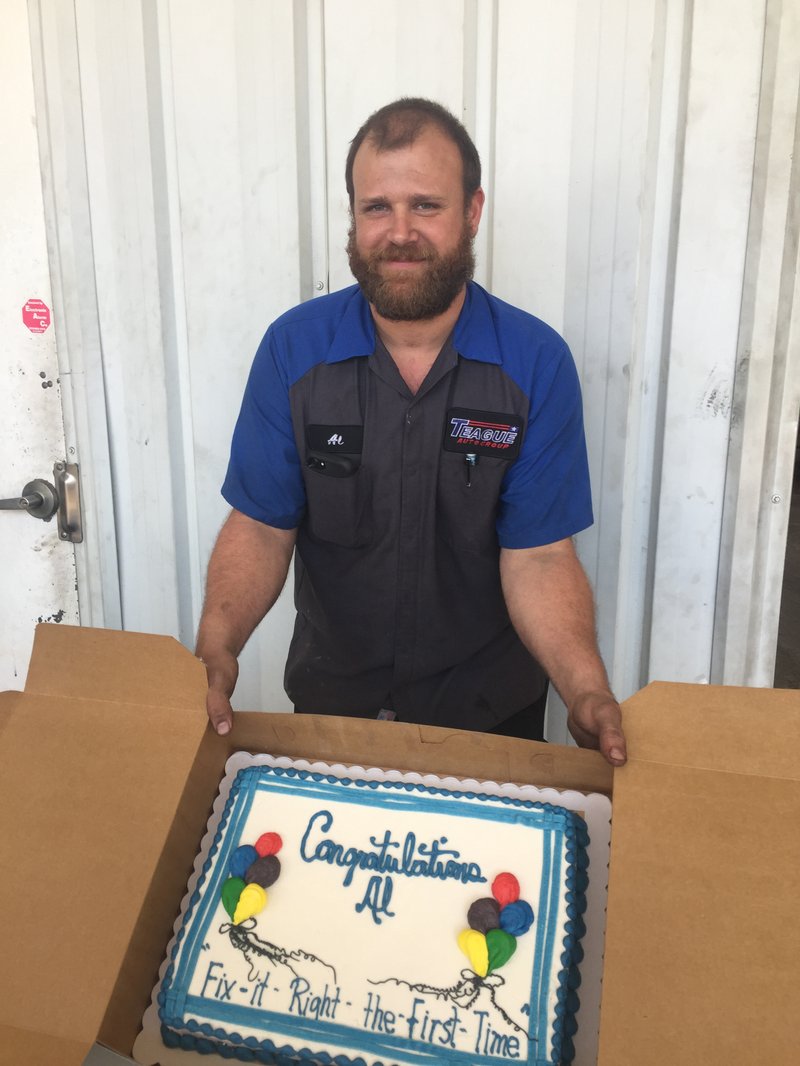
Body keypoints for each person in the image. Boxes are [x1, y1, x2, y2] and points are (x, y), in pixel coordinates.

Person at [196, 97, 627, 767]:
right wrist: (216, 649)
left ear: (473, 211)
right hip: (333, 710)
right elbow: (260, 525)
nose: (399, 232)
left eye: (425, 205)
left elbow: (539, 555)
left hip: (489, 718)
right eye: (377, 208)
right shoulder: (293, 353)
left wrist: (586, 690)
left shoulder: (535, 363)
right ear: (353, 216)